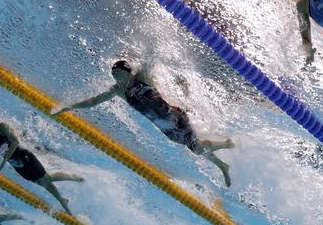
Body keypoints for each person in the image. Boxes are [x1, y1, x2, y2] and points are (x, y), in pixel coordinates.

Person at [53, 60, 235, 186]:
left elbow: (151, 59)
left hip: (176, 118)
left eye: (118, 72)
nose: (115, 76)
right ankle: (224, 153)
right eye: (113, 74)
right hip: (167, 130)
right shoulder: (117, 91)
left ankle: (225, 155)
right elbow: (92, 102)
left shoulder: (142, 77)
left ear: (127, 71)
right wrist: (68, 107)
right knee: (196, 148)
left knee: (197, 148)